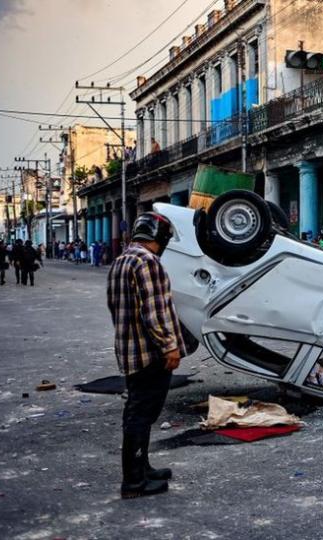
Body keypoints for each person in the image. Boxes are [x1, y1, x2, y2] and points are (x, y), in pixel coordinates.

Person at [106, 212, 186, 499]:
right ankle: (134, 482)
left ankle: (143, 468)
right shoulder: (147, 262)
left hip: (129, 350)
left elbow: (117, 308)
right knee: (141, 414)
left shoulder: (122, 260)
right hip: (150, 354)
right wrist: (170, 347)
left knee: (139, 411)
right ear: (160, 236)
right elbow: (154, 313)